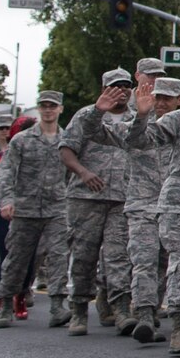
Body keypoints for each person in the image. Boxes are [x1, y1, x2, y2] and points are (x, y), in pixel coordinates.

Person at [60, 68, 135, 336]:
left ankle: (122, 310)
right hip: (86, 198)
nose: (123, 90)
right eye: (116, 86)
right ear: (104, 88)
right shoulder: (87, 115)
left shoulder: (135, 118)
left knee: (119, 256)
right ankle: (79, 311)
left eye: (127, 85)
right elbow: (66, 149)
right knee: (83, 256)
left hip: (122, 199)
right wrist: (83, 172)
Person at [0, 95, 72, 327]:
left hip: (57, 208)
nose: (48, 111)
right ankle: (6, 303)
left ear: (60, 108)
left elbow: (75, 170)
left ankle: (58, 306)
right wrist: (6, 201)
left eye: (52, 106)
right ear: (39, 109)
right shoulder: (22, 140)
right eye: (44, 106)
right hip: (25, 208)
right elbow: (5, 172)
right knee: (16, 258)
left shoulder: (68, 139)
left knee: (59, 256)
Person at [121, 75, 180, 343]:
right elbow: (132, 139)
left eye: (167, 98)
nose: (161, 103)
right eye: (157, 97)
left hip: (176, 206)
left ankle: (157, 310)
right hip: (143, 205)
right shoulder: (140, 127)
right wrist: (141, 114)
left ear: (179, 100)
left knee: (167, 264)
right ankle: (145, 315)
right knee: (145, 260)